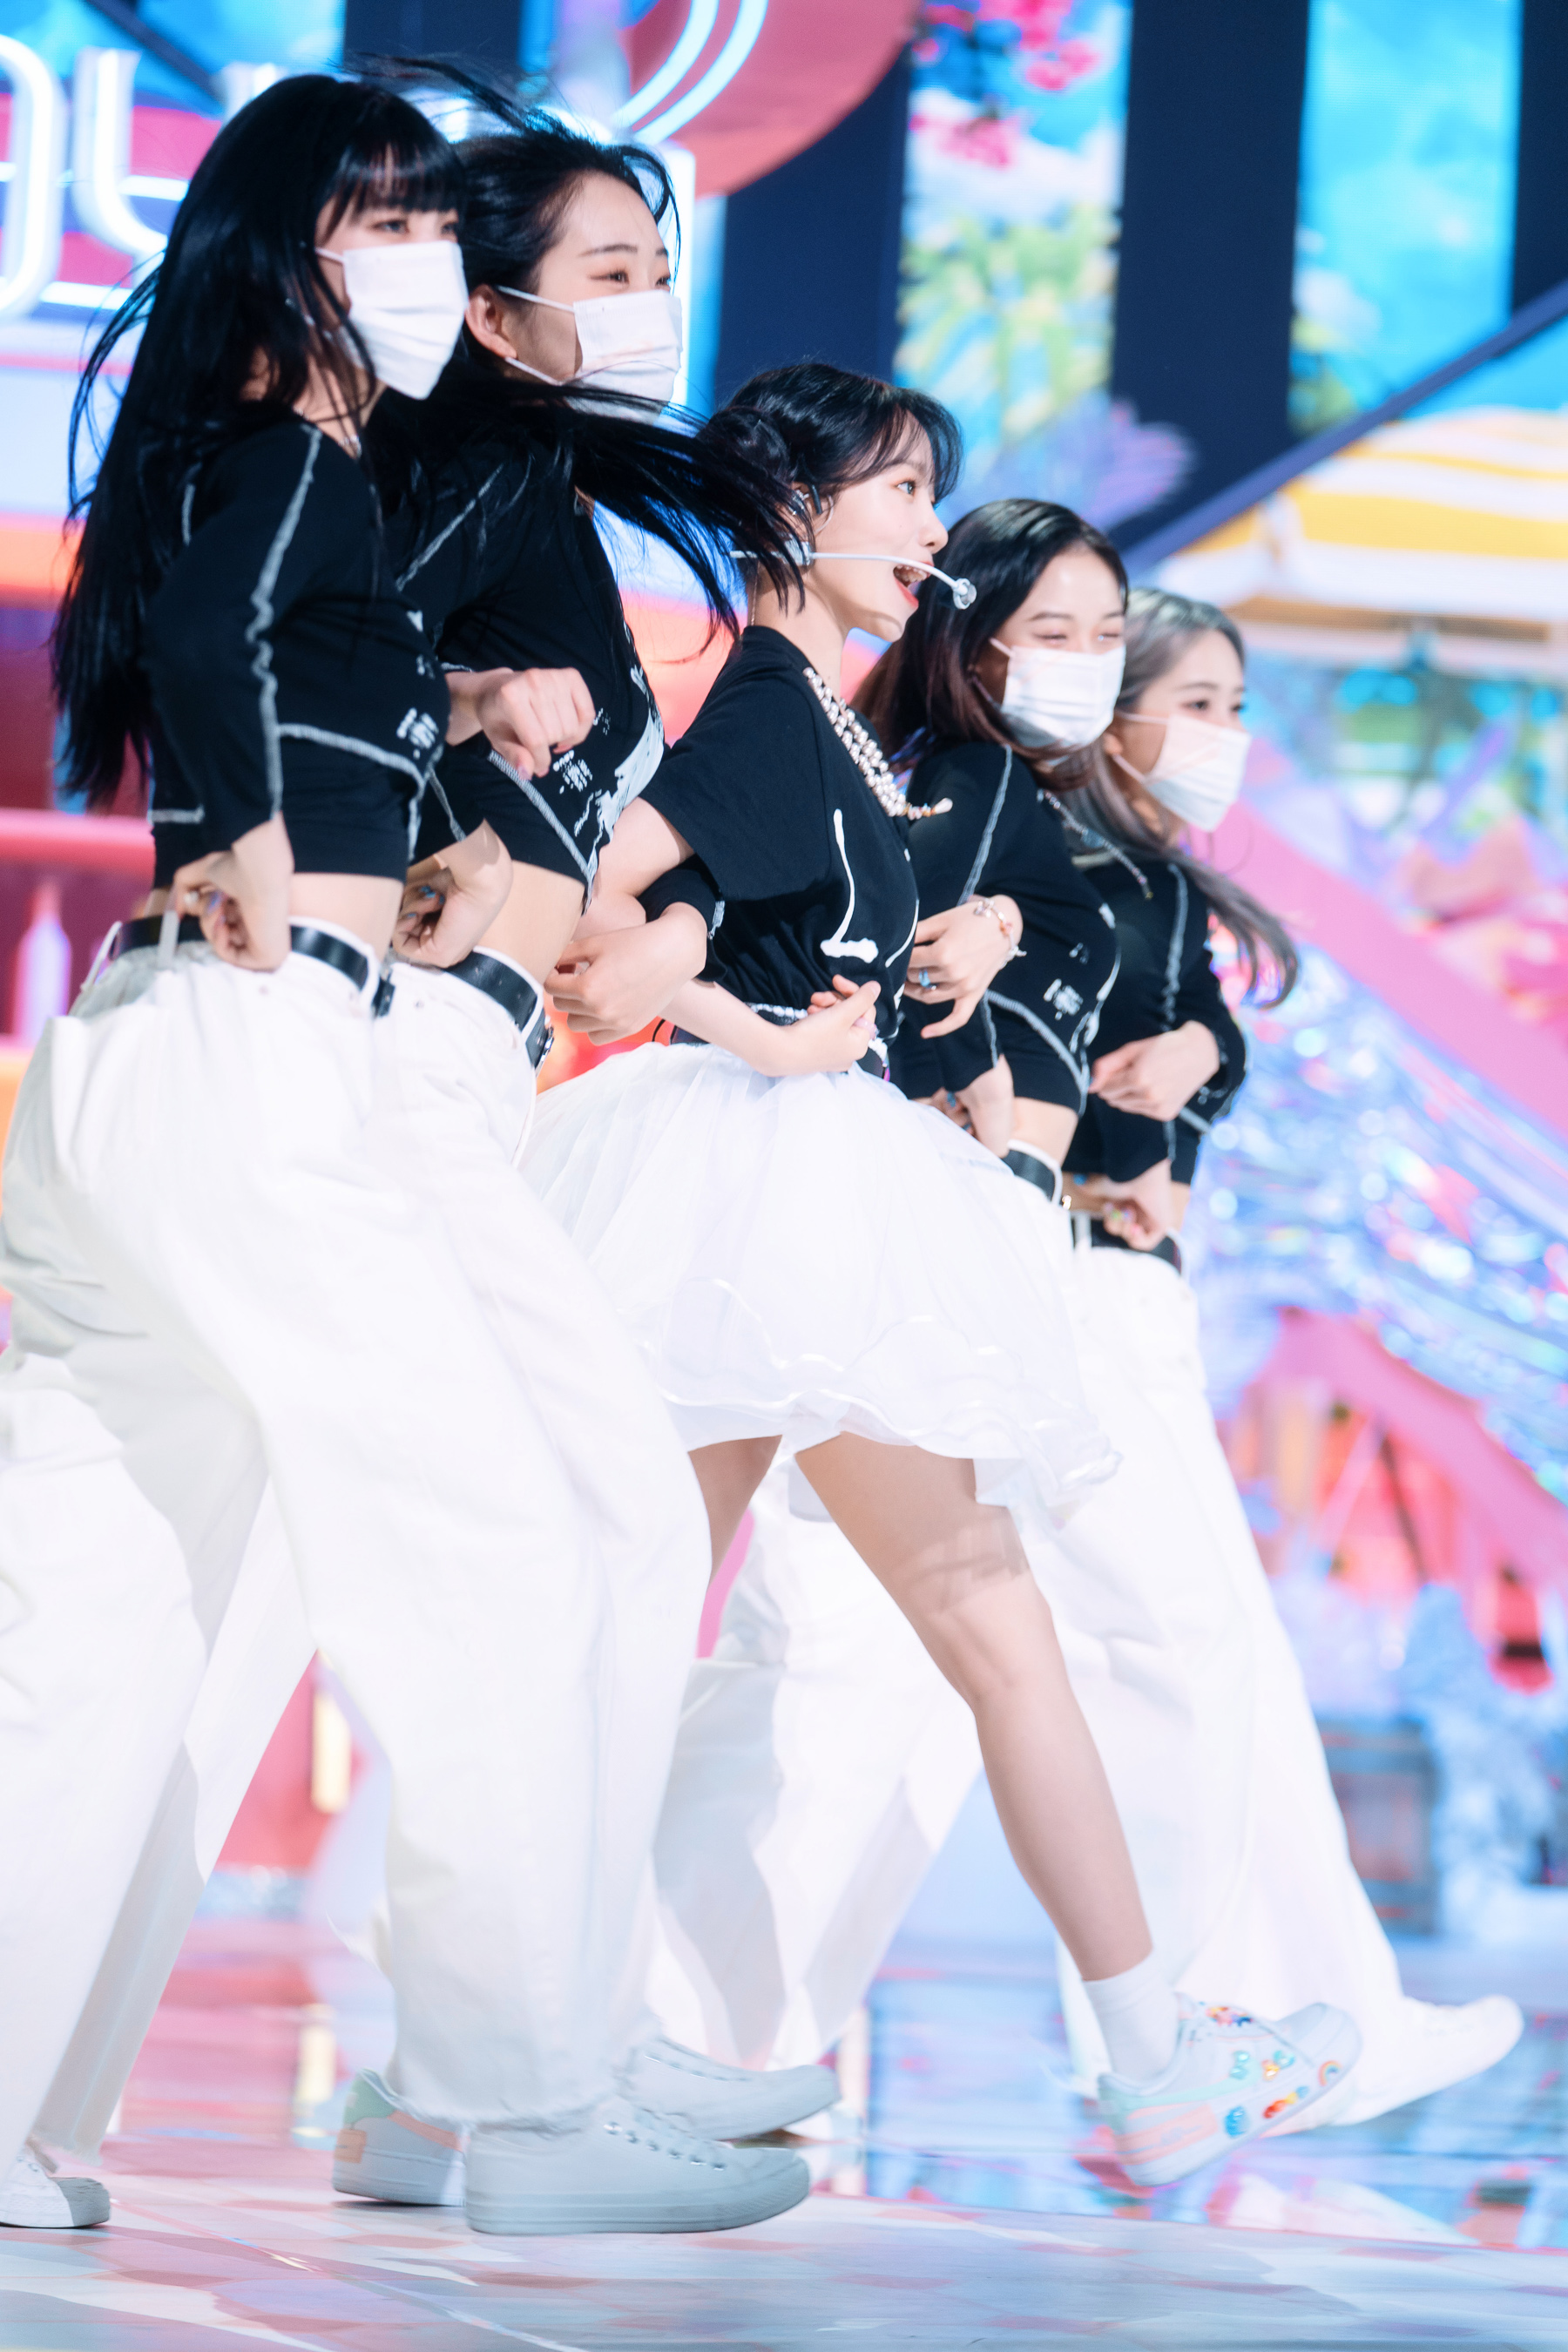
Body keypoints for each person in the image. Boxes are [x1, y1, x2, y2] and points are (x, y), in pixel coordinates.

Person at [2, 74, 806, 2240]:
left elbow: (281, 643)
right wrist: (253, 842)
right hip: (258, 1049)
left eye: (436, 224)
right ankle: (521, 2105)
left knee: (97, 1616)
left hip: (170, 1058)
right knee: (497, 1543)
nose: (421, 263)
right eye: (388, 225)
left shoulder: (272, 463)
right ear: (287, 255)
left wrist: (452, 727)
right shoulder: (293, 454)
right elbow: (219, 641)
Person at [524, 371, 1363, 2188]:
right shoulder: (774, 702)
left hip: (789, 1201)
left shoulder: (822, 720)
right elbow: (596, 916)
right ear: (791, 511)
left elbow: (680, 912)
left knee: (681, 1625)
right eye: (901, 492)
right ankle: (1144, 2060)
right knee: (889, 1626)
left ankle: (508, 2055)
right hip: (764, 1196)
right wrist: (769, 1036)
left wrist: (860, 996)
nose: (927, 531)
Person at [642, 547, 1523, 2134]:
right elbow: (865, 974)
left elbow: (1140, 1017)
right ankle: (690, 2030)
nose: (1183, 715)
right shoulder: (955, 785)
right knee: (881, 1654)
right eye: (1071, 637)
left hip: (1002, 1251)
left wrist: (1179, 1053)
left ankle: (729, 2034)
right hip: (973, 1255)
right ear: (975, 632)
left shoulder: (1056, 829)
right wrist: (980, 1042)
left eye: (1114, 637)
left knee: (936, 1660)